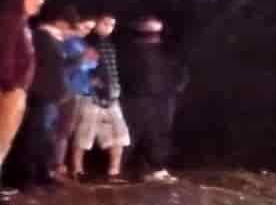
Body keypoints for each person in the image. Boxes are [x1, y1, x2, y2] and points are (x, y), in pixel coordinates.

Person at [70, 13, 131, 183]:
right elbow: (80, 68)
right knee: (84, 134)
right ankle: (77, 170)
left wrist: (114, 89)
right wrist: (92, 82)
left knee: (119, 133)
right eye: (105, 23)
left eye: (112, 24)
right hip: (91, 95)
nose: (109, 27)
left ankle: (114, 172)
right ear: (96, 23)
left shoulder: (111, 44)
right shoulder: (86, 43)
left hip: (112, 95)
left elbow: (113, 70)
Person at [121, 15, 183, 183]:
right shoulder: (129, 50)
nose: (153, 35)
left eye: (157, 31)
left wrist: (176, 87)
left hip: (163, 98)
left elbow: (179, 70)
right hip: (137, 98)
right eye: (149, 30)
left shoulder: (167, 50)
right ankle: (116, 169)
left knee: (160, 133)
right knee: (131, 133)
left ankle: (155, 168)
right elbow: (125, 74)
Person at [17, 9, 71, 188]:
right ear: (61, 22)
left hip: (49, 97)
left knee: (45, 137)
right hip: (41, 96)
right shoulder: (41, 38)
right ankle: (27, 178)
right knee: (34, 137)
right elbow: (42, 70)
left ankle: (42, 174)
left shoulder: (51, 40)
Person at [0, 0, 45, 195]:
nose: (40, 1)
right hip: (9, 92)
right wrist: (10, 84)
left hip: (16, 90)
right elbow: (5, 56)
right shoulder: (11, 21)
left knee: (5, 143)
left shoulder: (21, 22)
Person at [53, 10, 96, 178]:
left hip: (78, 89)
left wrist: (85, 62)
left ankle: (58, 165)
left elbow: (92, 62)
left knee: (66, 130)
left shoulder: (81, 42)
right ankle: (52, 166)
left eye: (90, 29)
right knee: (56, 129)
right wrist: (82, 61)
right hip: (64, 89)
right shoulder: (64, 41)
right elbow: (65, 66)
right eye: (85, 27)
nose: (87, 31)